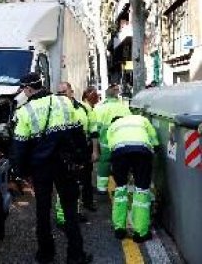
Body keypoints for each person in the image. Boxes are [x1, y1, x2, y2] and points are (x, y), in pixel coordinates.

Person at [10, 72, 92, 264]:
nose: (23, 92)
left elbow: (19, 146)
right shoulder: (64, 102)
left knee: (43, 210)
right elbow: (78, 132)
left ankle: (46, 255)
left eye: (23, 89)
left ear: (29, 89)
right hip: (65, 165)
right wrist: (82, 158)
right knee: (70, 210)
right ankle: (76, 256)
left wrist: (20, 173)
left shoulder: (24, 111)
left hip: (41, 168)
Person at [107, 114, 159, 243]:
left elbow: (111, 147)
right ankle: (140, 233)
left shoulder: (113, 126)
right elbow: (155, 142)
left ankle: (119, 229)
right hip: (141, 152)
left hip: (119, 153)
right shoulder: (142, 120)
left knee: (120, 189)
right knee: (142, 190)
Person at [54, 83, 100, 227]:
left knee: (83, 180)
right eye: (59, 92)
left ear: (71, 92)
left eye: (64, 92)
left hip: (82, 149)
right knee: (65, 183)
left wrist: (94, 150)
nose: (62, 94)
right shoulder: (55, 109)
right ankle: (63, 217)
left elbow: (93, 130)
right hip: (64, 151)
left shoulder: (83, 108)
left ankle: (79, 208)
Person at [94, 84, 131, 194]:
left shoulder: (100, 108)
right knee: (120, 164)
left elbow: (95, 128)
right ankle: (120, 186)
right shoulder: (124, 108)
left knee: (104, 164)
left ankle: (102, 188)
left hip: (105, 142)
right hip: (121, 142)